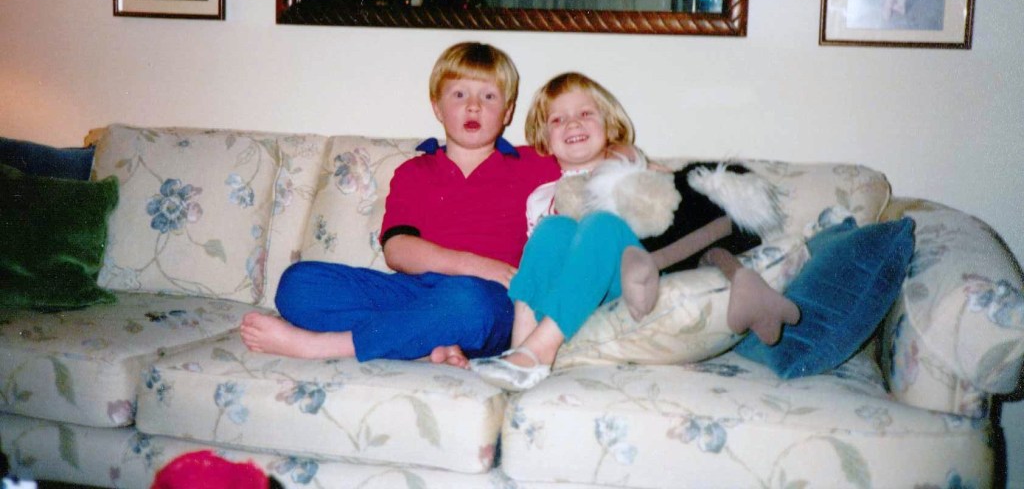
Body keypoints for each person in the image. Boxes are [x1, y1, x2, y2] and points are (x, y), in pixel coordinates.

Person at [471, 72, 797, 391]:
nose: (572, 124)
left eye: (585, 114)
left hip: (625, 279)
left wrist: (630, 161)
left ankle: (541, 348)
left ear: (609, 124)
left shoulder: (630, 168)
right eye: (558, 120)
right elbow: (539, 266)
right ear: (544, 136)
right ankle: (521, 348)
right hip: (567, 292)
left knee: (601, 224)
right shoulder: (541, 196)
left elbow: (675, 198)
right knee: (552, 229)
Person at [240, 42, 560, 366]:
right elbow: (396, 250)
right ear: (437, 107)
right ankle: (426, 338)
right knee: (299, 284)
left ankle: (329, 346)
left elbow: (593, 158)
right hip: (416, 291)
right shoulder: (415, 171)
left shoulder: (534, 164)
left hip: (491, 300)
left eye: (489, 96)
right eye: (459, 94)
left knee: (467, 301)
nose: (474, 106)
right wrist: (474, 264)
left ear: (508, 111)